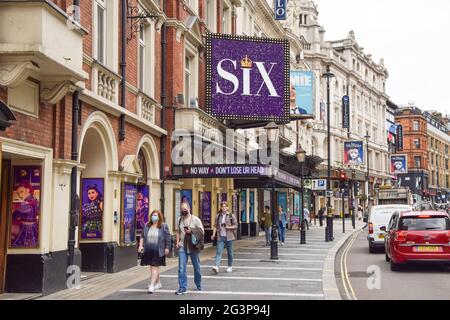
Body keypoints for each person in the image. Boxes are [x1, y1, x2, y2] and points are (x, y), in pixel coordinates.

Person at [174, 202, 204, 295]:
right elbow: (178, 231)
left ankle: (198, 284)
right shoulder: (179, 219)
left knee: (197, 267)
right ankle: (182, 287)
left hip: (193, 246)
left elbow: (202, 232)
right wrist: (177, 242)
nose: (184, 211)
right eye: (182, 210)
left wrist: (191, 231)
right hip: (183, 245)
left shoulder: (196, 219)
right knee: (181, 267)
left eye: (185, 210)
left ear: (189, 209)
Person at [138, 210, 171, 294]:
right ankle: (158, 283)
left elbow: (168, 238)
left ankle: (152, 285)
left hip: (158, 251)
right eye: (153, 215)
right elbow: (142, 236)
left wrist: (167, 248)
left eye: (156, 215)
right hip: (149, 250)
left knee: (154, 267)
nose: (154, 217)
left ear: (159, 217)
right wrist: (140, 246)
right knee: (153, 267)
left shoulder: (163, 226)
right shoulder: (147, 225)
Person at [11, 181, 40, 247]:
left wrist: (14, 209)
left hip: (28, 229)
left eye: (21, 192)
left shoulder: (27, 203)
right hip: (30, 226)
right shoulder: (34, 199)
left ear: (28, 190)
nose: (20, 195)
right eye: (18, 193)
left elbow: (15, 215)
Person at [211, 201, 238, 274]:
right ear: (220, 207)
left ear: (227, 207)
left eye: (225, 206)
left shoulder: (231, 215)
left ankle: (230, 266)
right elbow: (215, 226)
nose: (223, 208)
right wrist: (213, 235)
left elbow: (236, 225)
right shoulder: (218, 216)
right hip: (221, 237)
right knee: (219, 252)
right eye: (222, 206)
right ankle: (216, 266)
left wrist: (228, 227)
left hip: (229, 237)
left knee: (230, 253)